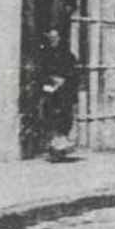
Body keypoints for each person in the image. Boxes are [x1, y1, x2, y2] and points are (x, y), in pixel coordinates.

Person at [38, 27, 79, 161]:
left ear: (60, 39)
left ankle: (60, 151)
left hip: (64, 93)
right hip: (49, 92)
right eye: (51, 38)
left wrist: (64, 80)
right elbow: (40, 73)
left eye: (55, 37)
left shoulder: (68, 55)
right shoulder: (44, 55)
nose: (53, 40)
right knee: (50, 119)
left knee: (63, 120)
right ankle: (53, 149)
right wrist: (49, 79)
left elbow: (74, 74)